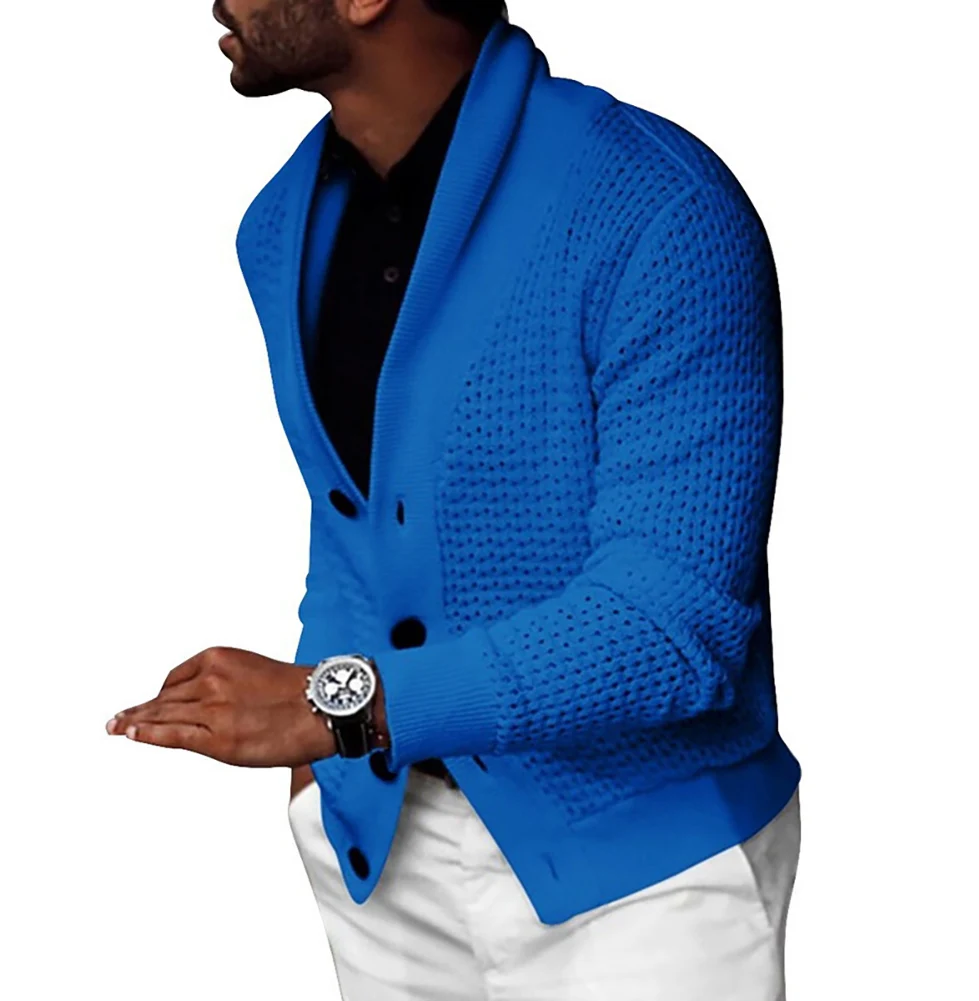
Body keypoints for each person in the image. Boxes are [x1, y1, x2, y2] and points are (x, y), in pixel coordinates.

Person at [107, 1, 803, 997]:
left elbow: (670, 628)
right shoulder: (278, 226)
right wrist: (325, 775)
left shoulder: (658, 207)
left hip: (644, 872)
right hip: (382, 854)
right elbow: (356, 524)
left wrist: (332, 709)